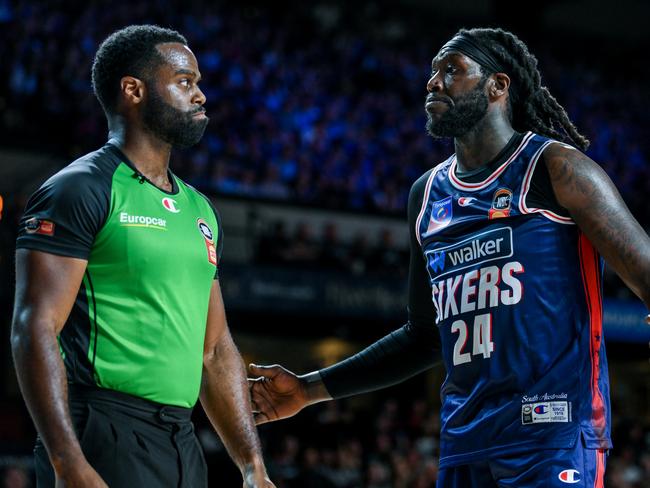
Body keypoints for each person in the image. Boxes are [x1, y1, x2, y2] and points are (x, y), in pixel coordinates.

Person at [248, 27, 650, 487]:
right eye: (433, 72)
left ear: (498, 85)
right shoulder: (426, 194)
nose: (433, 82)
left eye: (452, 71)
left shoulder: (555, 167)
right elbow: (423, 336)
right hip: (464, 441)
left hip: (552, 433)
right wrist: (307, 389)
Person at [11, 25, 274, 488]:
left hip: (180, 438)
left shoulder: (200, 209)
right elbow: (35, 326)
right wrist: (67, 462)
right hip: (102, 429)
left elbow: (214, 351)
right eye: (185, 81)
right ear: (133, 90)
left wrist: (252, 467)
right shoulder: (80, 188)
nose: (200, 96)